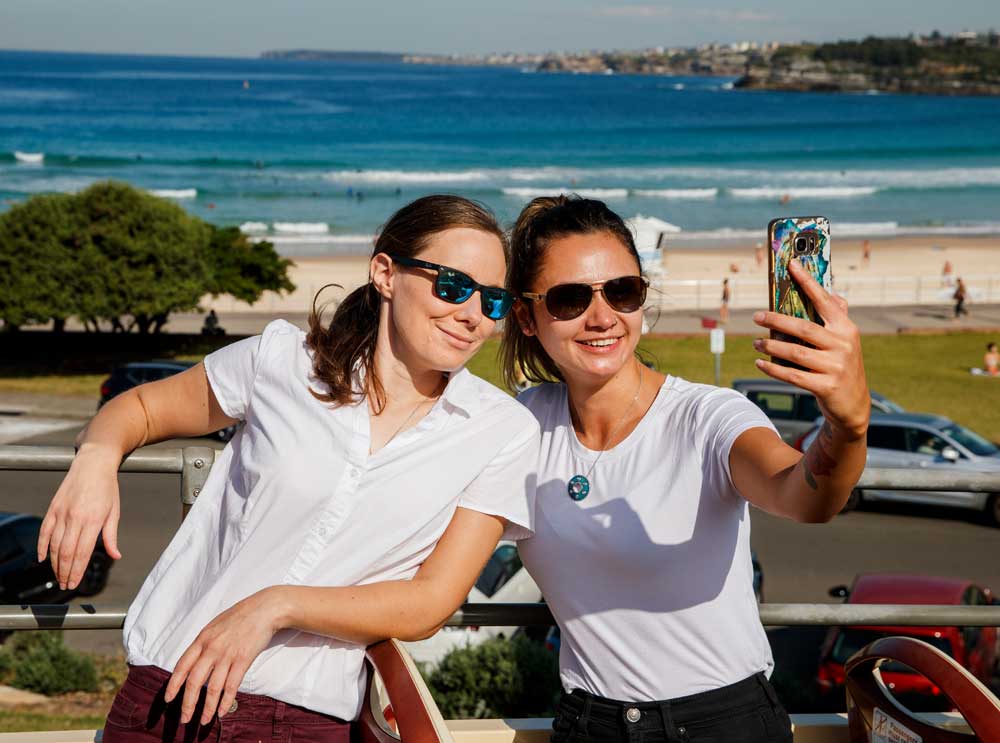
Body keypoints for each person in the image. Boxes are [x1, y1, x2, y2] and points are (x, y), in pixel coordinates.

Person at [39, 195, 539, 742]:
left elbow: (429, 603)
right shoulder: (280, 361)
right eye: (452, 286)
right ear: (385, 273)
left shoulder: (499, 431)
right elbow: (139, 408)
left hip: (304, 723)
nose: (472, 314)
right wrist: (96, 462)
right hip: (162, 698)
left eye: (493, 300)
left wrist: (275, 606)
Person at [502, 196, 870, 743]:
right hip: (591, 725)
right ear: (526, 317)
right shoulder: (521, 426)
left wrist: (849, 425)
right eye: (570, 299)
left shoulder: (707, 415)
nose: (603, 317)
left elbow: (805, 497)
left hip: (725, 724)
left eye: (622, 291)